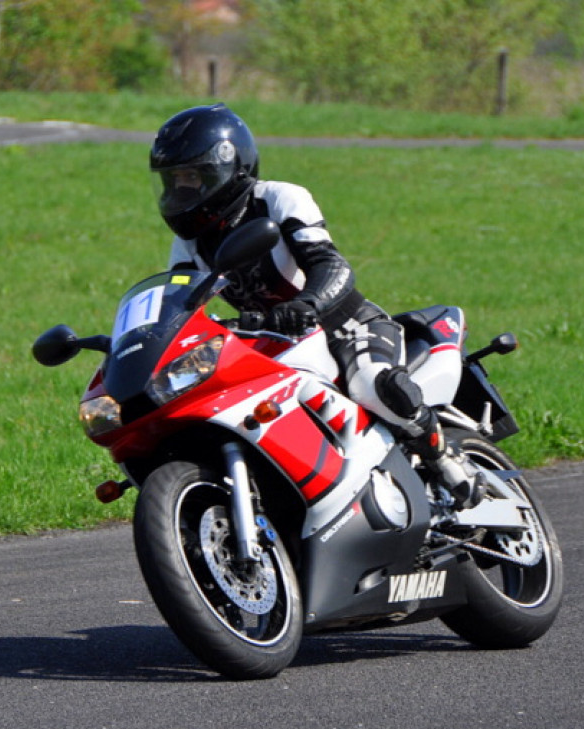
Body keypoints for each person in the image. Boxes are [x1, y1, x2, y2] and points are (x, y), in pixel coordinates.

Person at [149, 103, 485, 510]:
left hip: (344, 325)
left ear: (230, 167)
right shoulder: (188, 243)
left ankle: (445, 460)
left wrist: (308, 304)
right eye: (174, 181)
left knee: (371, 383)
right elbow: (180, 307)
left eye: (193, 178)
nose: (183, 191)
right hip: (275, 346)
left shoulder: (279, 198)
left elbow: (331, 265)